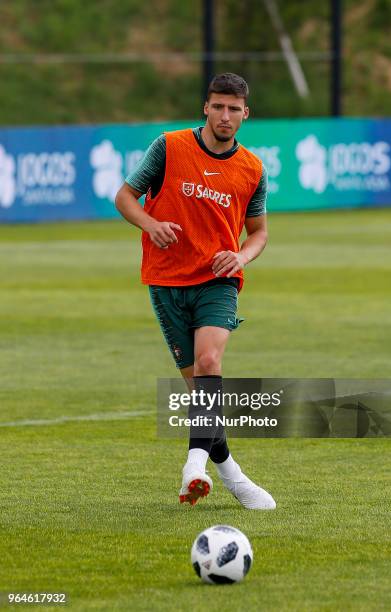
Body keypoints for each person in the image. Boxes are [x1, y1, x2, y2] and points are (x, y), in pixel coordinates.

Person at [115, 72, 276, 510]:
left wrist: (241, 258)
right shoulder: (169, 146)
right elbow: (125, 197)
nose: (225, 115)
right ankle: (235, 477)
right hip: (166, 281)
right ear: (205, 107)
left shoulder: (253, 169)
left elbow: (258, 233)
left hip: (218, 281)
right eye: (218, 106)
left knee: (210, 362)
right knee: (201, 395)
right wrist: (151, 223)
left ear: (247, 114)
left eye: (234, 109)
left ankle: (193, 468)